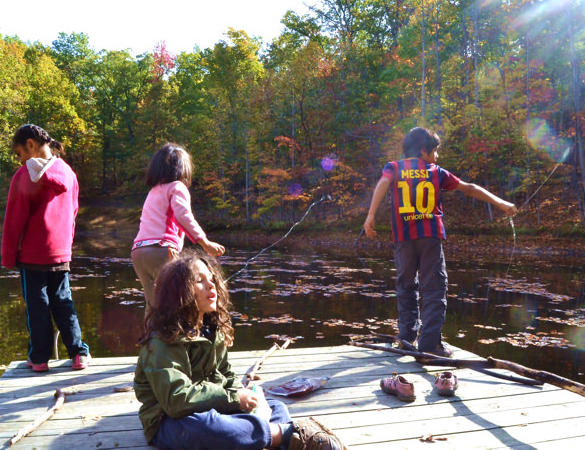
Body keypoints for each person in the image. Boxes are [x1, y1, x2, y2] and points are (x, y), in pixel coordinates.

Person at [134, 251, 345, 450]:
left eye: (212, 278)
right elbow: (176, 400)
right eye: (200, 281)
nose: (211, 285)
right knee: (211, 426)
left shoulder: (211, 330)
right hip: (168, 421)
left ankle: (266, 435)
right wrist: (234, 398)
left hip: (210, 405)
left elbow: (226, 374)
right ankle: (284, 435)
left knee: (275, 407)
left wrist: (247, 398)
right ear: (179, 293)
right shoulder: (161, 342)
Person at [363, 127, 517, 356]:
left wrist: (371, 215)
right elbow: (469, 188)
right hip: (430, 238)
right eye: (435, 151)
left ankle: (406, 339)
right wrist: (501, 203)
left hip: (403, 239)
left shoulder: (393, 167)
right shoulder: (436, 171)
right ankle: (430, 345)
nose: (437, 156)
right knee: (434, 289)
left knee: (406, 287)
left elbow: (383, 184)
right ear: (424, 151)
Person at [1, 124, 91, 372]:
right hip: (60, 253)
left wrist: (8, 255)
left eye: (19, 153)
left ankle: (40, 358)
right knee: (63, 302)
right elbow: (72, 214)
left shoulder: (23, 177)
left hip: (32, 255)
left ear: (31, 144)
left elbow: (14, 220)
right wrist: (67, 249)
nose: (20, 161)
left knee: (37, 307)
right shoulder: (69, 174)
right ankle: (78, 353)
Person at [131, 143, 225, 316]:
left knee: (153, 304)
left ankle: (150, 341)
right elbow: (183, 216)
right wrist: (205, 243)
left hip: (138, 251)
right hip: (161, 249)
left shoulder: (154, 191)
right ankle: (176, 339)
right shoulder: (177, 187)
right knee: (175, 300)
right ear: (183, 168)